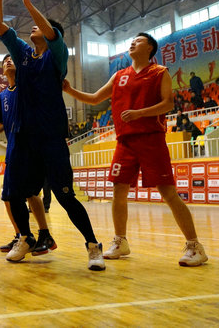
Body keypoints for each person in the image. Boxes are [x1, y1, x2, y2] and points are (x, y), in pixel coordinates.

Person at [0, 0, 105, 270]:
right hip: (25, 138)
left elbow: (53, 34)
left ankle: (93, 245)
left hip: (52, 137)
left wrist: (28, 3)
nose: (33, 28)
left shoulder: (57, 57)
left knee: (65, 196)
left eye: (40, 26)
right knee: (15, 193)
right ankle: (26, 238)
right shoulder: (23, 55)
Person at [63, 32, 208, 267]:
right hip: (125, 141)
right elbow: (94, 98)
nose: (132, 43)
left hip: (151, 139)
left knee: (168, 193)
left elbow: (168, 103)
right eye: (131, 40)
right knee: (118, 190)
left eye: (138, 40)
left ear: (150, 48)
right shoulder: (120, 75)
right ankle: (120, 241)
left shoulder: (160, 72)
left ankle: (195, 246)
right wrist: (69, 90)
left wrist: (140, 113)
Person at [0, 54, 56, 258]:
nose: (8, 61)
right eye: (5, 61)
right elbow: (0, 124)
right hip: (13, 149)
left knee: (23, 193)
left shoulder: (28, 86)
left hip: (31, 147)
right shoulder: (3, 96)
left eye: (12, 59)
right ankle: (26, 235)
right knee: (16, 195)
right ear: (2, 71)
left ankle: (32, 236)